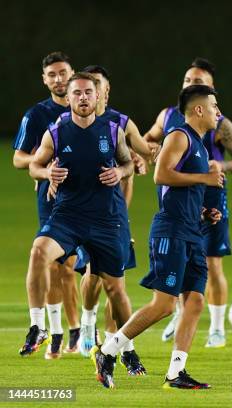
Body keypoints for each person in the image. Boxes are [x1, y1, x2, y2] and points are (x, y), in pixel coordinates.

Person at [95, 84, 224, 389]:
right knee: (165, 305)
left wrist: (204, 211)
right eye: (215, 106)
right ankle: (107, 350)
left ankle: (175, 373)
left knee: (194, 301)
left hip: (192, 231)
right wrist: (205, 177)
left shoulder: (201, 145)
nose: (219, 112)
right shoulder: (179, 135)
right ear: (199, 110)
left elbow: (182, 189)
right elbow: (161, 175)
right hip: (172, 231)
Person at [22, 72, 135, 367]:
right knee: (38, 251)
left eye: (88, 92)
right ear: (69, 98)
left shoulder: (112, 131)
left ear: (97, 97)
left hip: (106, 219)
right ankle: (37, 326)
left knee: (115, 289)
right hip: (68, 216)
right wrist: (47, 173)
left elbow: (127, 164)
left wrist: (120, 173)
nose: (83, 98)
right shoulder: (56, 132)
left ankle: (128, 350)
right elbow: (34, 165)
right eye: (77, 93)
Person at [145, 58, 232, 347]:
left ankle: (217, 327)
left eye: (199, 82)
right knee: (180, 257)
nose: (192, 84)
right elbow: (147, 142)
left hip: (211, 194)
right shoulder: (168, 117)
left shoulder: (219, 123)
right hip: (178, 197)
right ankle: (179, 313)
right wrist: (152, 150)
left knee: (212, 263)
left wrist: (219, 167)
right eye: (188, 80)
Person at [14, 52, 80, 358]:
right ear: (45, 79)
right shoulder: (36, 115)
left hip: (90, 202)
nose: (58, 79)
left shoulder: (90, 110)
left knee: (78, 269)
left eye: (62, 72)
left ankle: (83, 330)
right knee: (56, 266)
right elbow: (19, 158)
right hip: (52, 201)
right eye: (51, 74)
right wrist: (42, 162)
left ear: (72, 74)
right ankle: (57, 332)